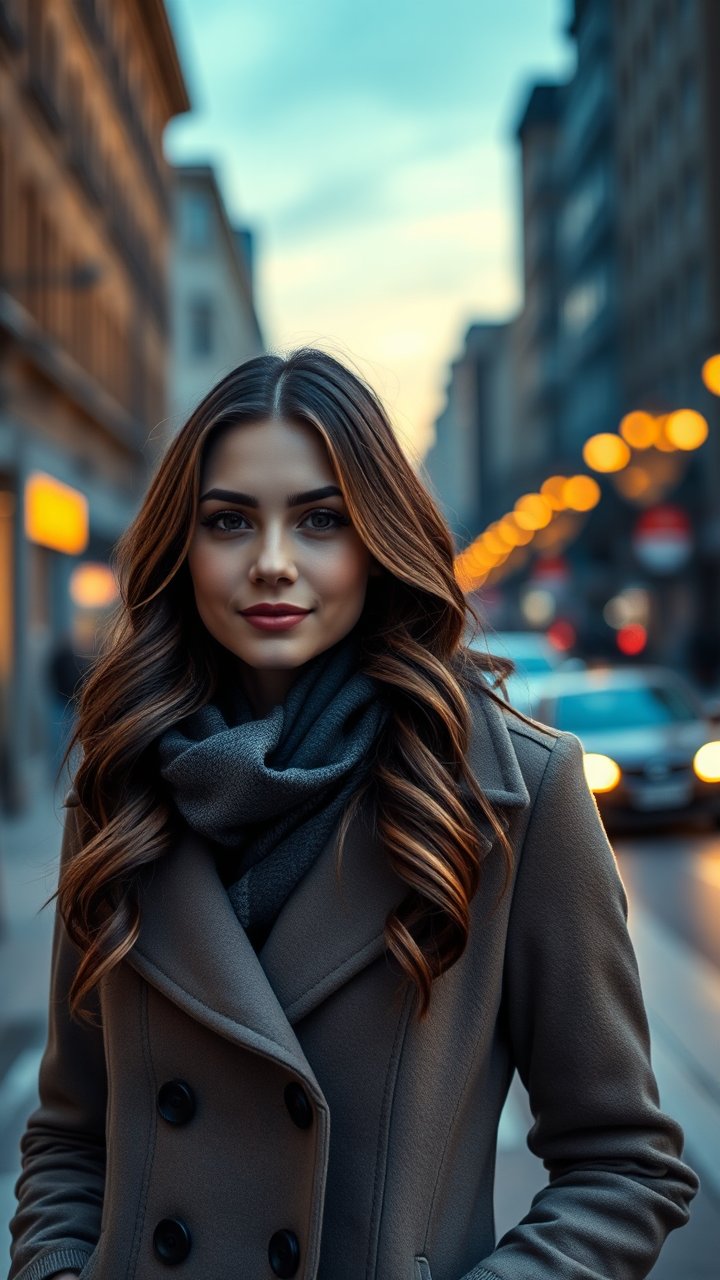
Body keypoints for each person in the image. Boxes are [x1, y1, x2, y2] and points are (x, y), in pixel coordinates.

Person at [9, 349, 698, 1280]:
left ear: (378, 541)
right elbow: (69, 1137)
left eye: (321, 520)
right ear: (185, 544)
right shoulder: (125, 783)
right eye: (229, 521)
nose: (273, 563)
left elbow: (624, 1163)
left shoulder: (510, 794)